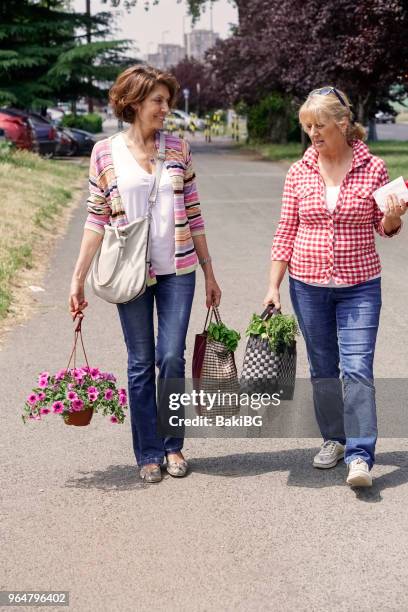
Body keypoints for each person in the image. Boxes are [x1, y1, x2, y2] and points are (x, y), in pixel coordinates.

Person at [69, 65, 221, 483]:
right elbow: (96, 219)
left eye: (167, 100)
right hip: (129, 272)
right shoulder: (104, 152)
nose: (166, 108)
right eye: (158, 101)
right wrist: (77, 277)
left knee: (171, 357)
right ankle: (148, 453)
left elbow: (194, 213)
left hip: (178, 270)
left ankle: (174, 445)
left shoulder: (179, 149)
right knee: (140, 362)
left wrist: (209, 273)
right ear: (134, 103)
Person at [263, 86, 406, 487]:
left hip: (360, 283)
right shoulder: (299, 171)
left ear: (343, 124)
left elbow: (385, 226)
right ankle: (334, 439)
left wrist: (394, 217)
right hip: (307, 285)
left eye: (320, 125)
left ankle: (360, 455)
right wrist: (273, 285)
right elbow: (286, 229)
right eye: (308, 126)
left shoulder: (373, 167)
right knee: (323, 368)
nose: (313, 133)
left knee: (357, 368)